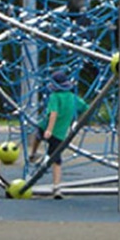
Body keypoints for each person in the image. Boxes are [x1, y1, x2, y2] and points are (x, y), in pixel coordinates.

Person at [43, 70, 87, 200]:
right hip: (62, 134)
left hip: (51, 130)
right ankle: (57, 187)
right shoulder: (72, 97)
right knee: (56, 159)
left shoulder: (54, 97)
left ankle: (34, 155)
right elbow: (85, 107)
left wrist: (49, 129)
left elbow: (53, 113)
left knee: (40, 137)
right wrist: (78, 122)